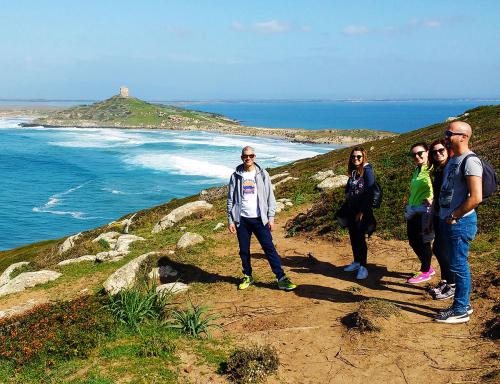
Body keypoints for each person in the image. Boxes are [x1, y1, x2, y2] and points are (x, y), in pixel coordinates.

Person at [227, 146, 297, 291]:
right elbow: (230, 200)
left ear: (255, 157)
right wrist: (231, 220)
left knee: (269, 248)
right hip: (242, 219)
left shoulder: (263, 174)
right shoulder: (235, 176)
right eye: (245, 156)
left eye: (251, 156)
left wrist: (271, 217)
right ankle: (248, 276)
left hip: (260, 219)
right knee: (244, 250)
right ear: (241, 157)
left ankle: (281, 278)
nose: (248, 158)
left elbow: (270, 197)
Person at [434, 121, 482, 324]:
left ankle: (460, 309)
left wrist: (454, 216)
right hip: (449, 220)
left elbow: (476, 197)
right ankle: (463, 304)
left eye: (449, 133)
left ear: (463, 137)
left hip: (460, 222)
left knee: (459, 264)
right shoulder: (454, 160)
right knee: (455, 263)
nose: (446, 136)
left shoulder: (470, 161)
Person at [340, 146, 376, 280]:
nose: (356, 159)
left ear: (363, 157)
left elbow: (370, 192)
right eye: (353, 156)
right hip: (351, 210)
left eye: (359, 157)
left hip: (362, 211)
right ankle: (356, 262)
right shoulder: (354, 172)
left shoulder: (367, 171)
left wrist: (362, 211)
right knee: (353, 237)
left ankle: (363, 267)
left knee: (360, 239)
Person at [405, 142, 435, 284]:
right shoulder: (418, 168)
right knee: (413, 241)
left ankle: (425, 270)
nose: (417, 156)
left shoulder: (432, 168)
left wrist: (432, 198)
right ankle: (428, 266)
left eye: (420, 153)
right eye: (414, 154)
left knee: (423, 241)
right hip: (413, 209)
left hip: (425, 211)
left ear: (427, 152)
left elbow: (439, 185)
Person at [428, 139, 455, 300]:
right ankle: (445, 281)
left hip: (449, 216)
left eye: (441, 150)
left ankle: (452, 284)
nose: (438, 154)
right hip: (439, 214)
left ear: (447, 150)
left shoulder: (451, 168)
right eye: (434, 152)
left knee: (441, 250)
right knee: (439, 249)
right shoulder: (440, 169)